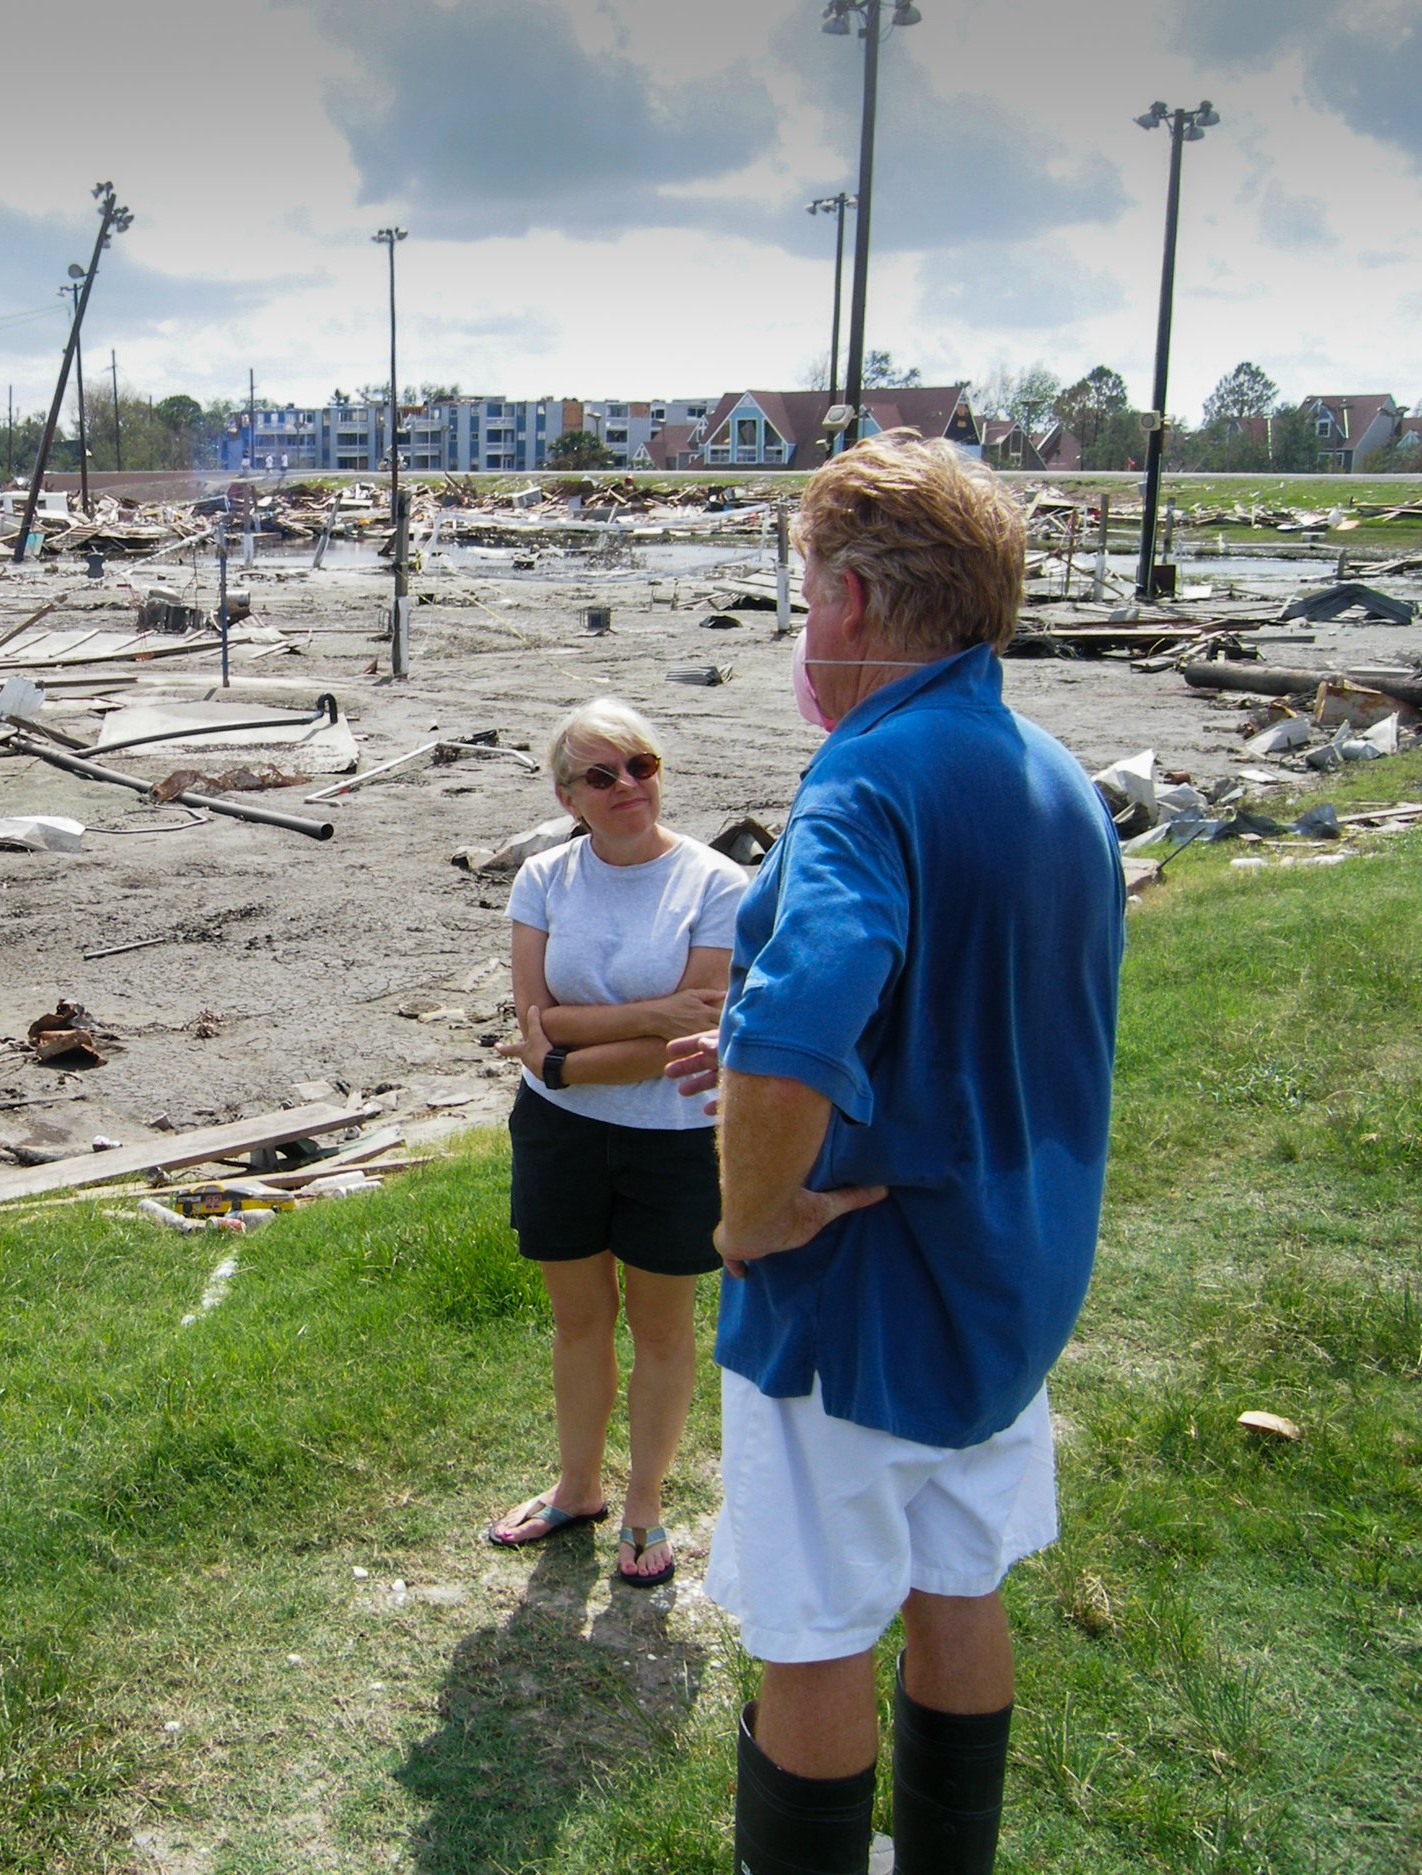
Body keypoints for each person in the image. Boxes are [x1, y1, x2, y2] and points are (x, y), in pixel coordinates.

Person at [664, 432, 1124, 1875]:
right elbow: (974, 1005)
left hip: (857, 1300)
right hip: (1009, 1279)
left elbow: (808, 1011)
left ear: (852, 599)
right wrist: (757, 1053)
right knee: (957, 1575)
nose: (805, 626)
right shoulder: (1055, 776)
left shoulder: (864, 776)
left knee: (812, 1624)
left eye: (807, 593)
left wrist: (751, 1210)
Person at [485, 698, 747, 1591]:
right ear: (569, 797)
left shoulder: (717, 884)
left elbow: (690, 1040)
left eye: (640, 764)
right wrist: (639, 1019)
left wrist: (566, 1060)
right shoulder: (544, 881)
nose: (628, 785)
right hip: (559, 1135)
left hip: (673, 1140)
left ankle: (644, 1499)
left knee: (663, 1328)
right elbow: (531, 1019)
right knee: (579, 1320)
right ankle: (578, 1486)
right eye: (602, 775)